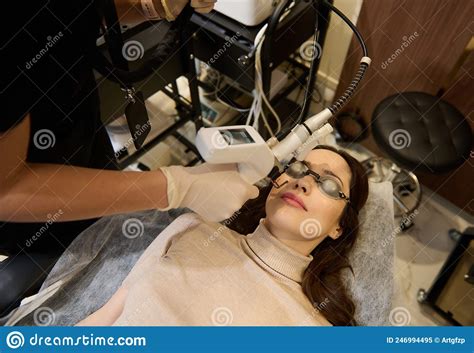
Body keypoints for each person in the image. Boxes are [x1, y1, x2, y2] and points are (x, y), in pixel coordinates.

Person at [0, 0, 259, 316]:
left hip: (75, 132)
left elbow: (79, 15)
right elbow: (6, 190)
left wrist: (158, 7)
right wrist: (174, 187)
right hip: (30, 206)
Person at [76, 146, 369, 326]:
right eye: (297, 167)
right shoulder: (193, 229)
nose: (302, 181)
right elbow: (105, 319)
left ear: (339, 227)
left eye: (329, 184)